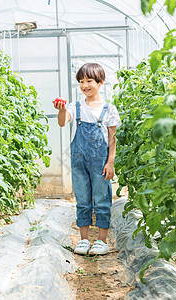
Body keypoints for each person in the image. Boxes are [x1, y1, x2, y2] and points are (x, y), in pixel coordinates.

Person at [53, 63, 121, 255]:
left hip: (100, 163)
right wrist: (61, 109)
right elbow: (62, 122)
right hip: (79, 162)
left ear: (100, 82)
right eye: (81, 82)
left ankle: (101, 241)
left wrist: (110, 163)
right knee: (82, 200)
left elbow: (112, 139)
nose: (85, 85)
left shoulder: (109, 109)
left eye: (89, 81)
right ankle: (83, 240)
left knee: (102, 199)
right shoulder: (75, 107)